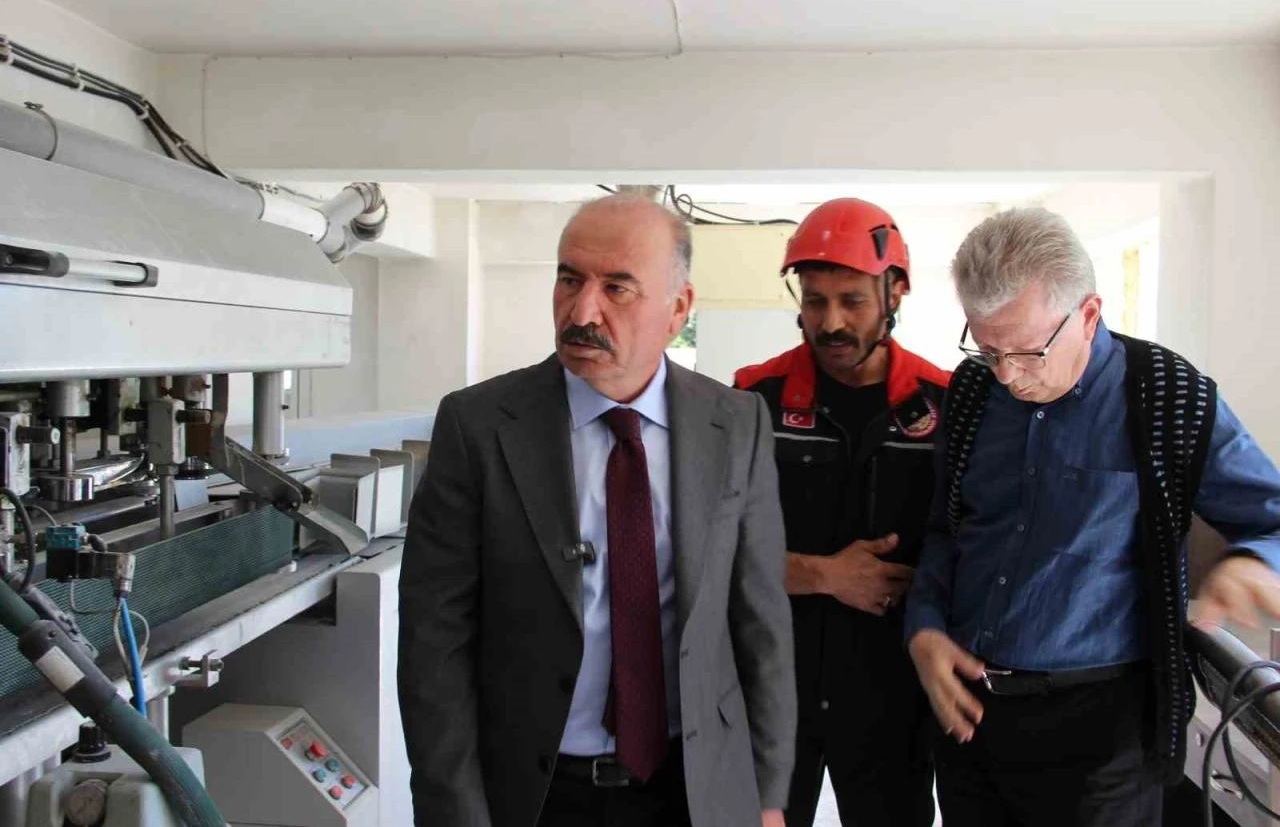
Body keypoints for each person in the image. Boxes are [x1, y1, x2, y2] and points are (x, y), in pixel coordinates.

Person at [398, 192, 796, 827]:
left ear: (679, 308)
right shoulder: (478, 427)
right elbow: (433, 641)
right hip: (533, 793)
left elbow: (762, 622)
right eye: (569, 280)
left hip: (694, 789)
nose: (583, 311)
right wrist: (453, 811)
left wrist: (768, 797)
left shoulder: (736, 423)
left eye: (617, 288)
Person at [904, 206, 1280, 827]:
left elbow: (1271, 520)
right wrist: (922, 627)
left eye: (1028, 352)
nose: (1008, 376)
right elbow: (948, 530)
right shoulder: (973, 392)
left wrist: (1253, 561)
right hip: (970, 722)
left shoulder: (1169, 396)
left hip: (1104, 736)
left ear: (1088, 314)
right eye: (988, 349)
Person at [734, 198, 950, 827]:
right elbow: (708, 548)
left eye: (852, 301)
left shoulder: (947, 406)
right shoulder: (751, 401)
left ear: (895, 291)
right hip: (771, 698)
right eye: (814, 301)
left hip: (895, 702)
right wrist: (824, 575)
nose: (830, 323)